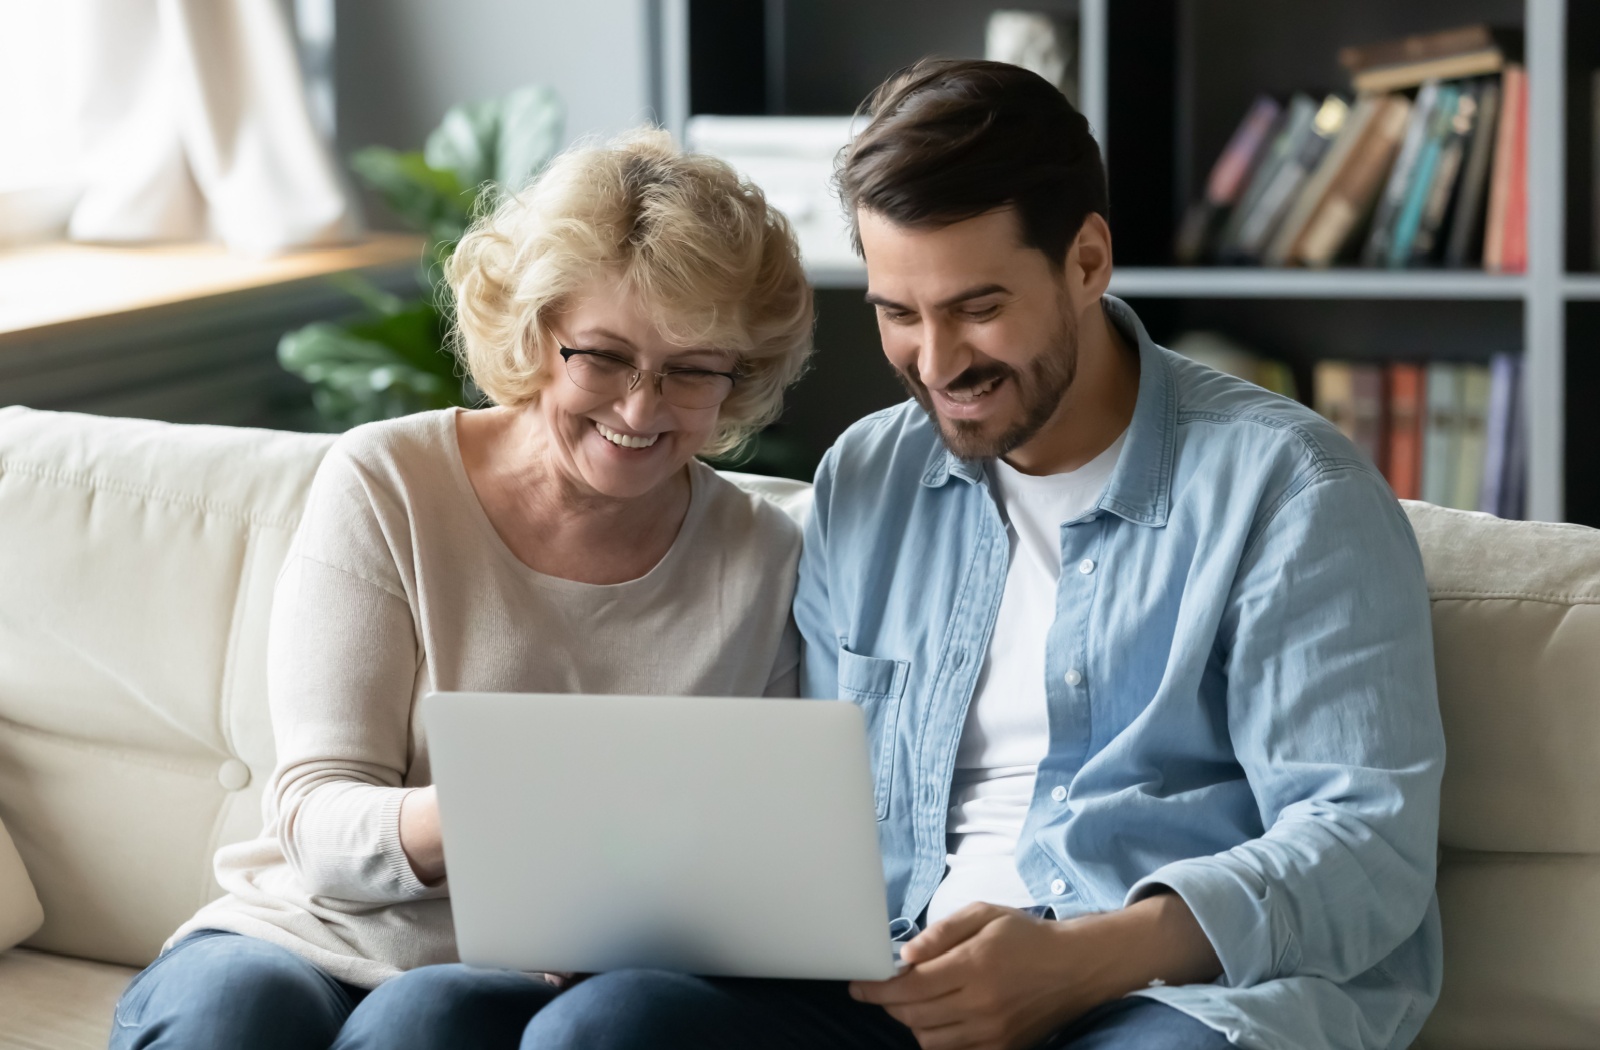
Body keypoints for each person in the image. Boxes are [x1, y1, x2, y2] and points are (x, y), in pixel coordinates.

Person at [510, 59, 1446, 1050]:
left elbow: (1365, 850)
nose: (938, 362)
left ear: (1086, 262)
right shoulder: (868, 477)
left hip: (1157, 998)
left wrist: (1083, 960)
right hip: (887, 981)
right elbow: (817, 810)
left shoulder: (1289, 491)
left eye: (977, 308)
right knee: (602, 1026)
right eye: (897, 314)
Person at [107, 128, 815, 1050]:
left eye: (690, 371)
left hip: (525, 977)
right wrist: (515, 800)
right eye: (601, 357)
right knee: (234, 1015)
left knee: (427, 1020)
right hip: (306, 932)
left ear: (741, 374)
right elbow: (317, 816)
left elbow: (755, 860)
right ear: (534, 332)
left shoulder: (763, 555)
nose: (640, 409)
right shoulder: (389, 481)